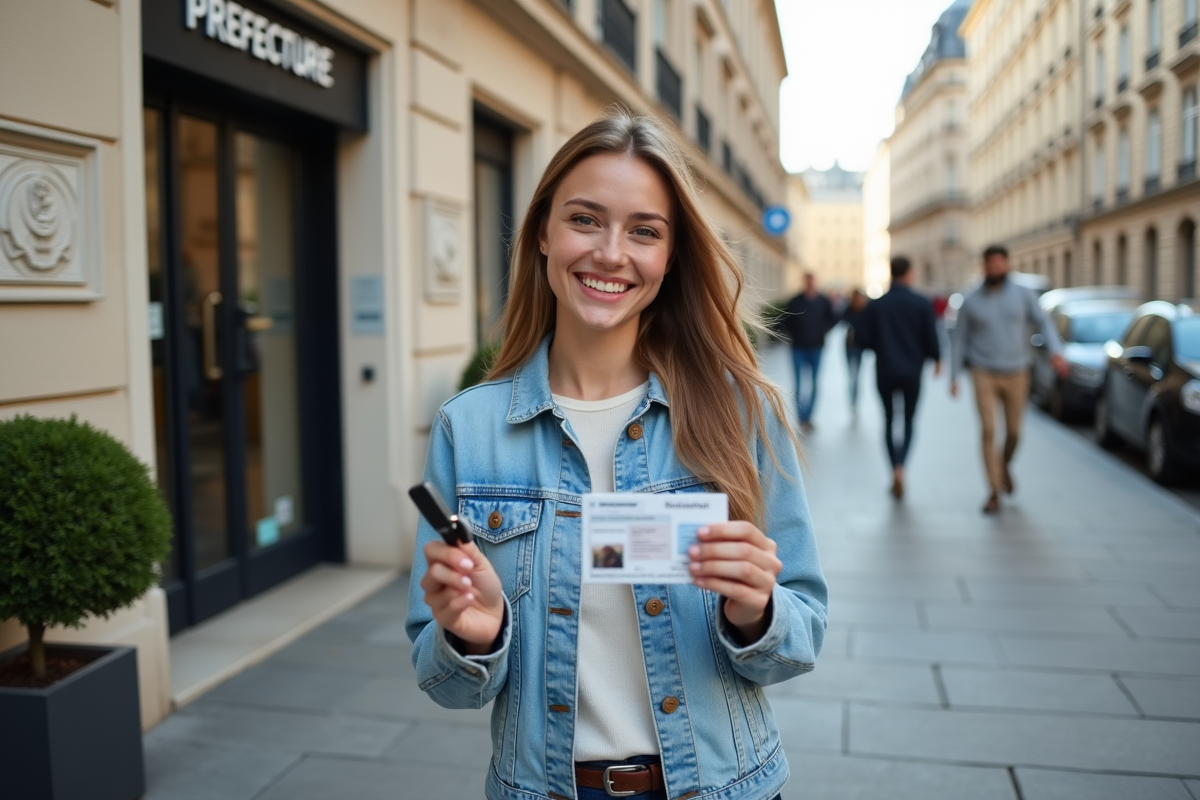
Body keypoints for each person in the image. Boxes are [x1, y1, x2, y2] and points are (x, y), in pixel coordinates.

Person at [406, 109, 827, 800]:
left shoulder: (741, 410)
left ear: (670, 255)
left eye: (644, 231)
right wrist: (473, 638)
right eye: (584, 219)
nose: (610, 252)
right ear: (543, 232)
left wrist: (754, 611)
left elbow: (799, 633)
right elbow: (444, 683)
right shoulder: (468, 428)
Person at [950, 244, 1066, 513]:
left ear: (1006, 264)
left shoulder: (1024, 295)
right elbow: (959, 339)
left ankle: (1003, 467)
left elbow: (1044, 322)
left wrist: (1056, 352)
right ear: (984, 266)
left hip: (1017, 371)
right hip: (983, 371)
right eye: (989, 264)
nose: (994, 268)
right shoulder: (971, 300)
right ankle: (993, 490)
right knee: (989, 430)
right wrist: (954, 376)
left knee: (1014, 432)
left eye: (998, 263)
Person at [855, 257, 941, 499]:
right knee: (910, 421)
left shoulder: (877, 305)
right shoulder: (921, 303)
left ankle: (893, 467)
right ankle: (903, 467)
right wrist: (936, 359)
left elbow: (863, 339)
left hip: (885, 370)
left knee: (889, 420)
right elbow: (931, 336)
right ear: (910, 273)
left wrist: (883, 346)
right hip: (913, 372)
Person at [781, 273, 838, 432]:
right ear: (805, 282)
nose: (810, 284)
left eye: (813, 281)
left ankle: (808, 417)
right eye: (808, 281)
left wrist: (823, 331)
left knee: (813, 383)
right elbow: (785, 320)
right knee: (798, 383)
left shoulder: (823, 301)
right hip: (798, 347)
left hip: (816, 347)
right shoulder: (795, 301)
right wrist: (792, 334)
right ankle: (800, 417)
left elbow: (833, 319)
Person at [841, 288, 869, 416]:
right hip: (849, 346)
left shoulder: (865, 311)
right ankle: (853, 401)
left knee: (856, 375)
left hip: (859, 347)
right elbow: (842, 320)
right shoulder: (849, 310)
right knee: (852, 375)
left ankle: (855, 401)